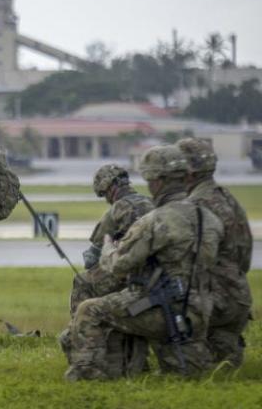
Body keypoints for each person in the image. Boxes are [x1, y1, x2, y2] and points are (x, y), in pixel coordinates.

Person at [65, 145, 223, 381]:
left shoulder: (156, 220)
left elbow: (118, 265)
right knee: (185, 375)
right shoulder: (208, 218)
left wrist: (109, 247)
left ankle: (87, 374)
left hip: (164, 310)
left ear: (158, 181)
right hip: (202, 310)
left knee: (89, 309)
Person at [59, 165, 152, 375]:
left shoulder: (117, 209)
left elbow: (93, 257)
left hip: (127, 275)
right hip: (153, 277)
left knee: (82, 281)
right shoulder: (151, 202)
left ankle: (78, 334)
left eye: (104, 194)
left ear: (109, 188)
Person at [177, 137, 253, 367]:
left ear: (188, 172)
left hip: (213, 299)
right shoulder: (227, 198)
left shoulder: (194, 206)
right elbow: (245, 253)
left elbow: (189, 262)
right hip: (238, 292)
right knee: (226, 362)